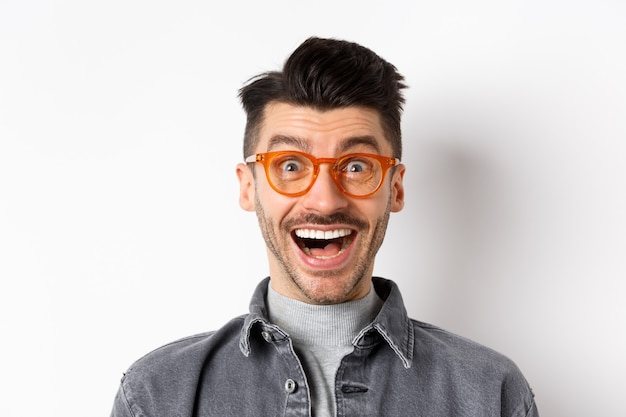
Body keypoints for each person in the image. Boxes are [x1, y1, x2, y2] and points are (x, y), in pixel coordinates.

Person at [110, 37, 539, 417]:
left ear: (395, 188)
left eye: (356, 166)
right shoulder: (156, 397)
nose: (326, 200)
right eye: (291, 165)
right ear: (248, 188)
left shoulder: (490, 394)